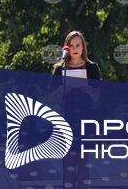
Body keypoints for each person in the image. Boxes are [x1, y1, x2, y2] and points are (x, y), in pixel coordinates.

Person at [50, 31, 101, 189]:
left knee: (83, 162)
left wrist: (91, 92)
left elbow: (97, 97)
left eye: (78, 45)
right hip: (67, 119)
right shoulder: (59, 68)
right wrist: (61, 91)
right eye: (71, 46)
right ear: (66, 48)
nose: (75, 49)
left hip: (86, 119)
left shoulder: (92, 68)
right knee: (69, 163)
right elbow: (53, 98)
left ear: (83, 47)